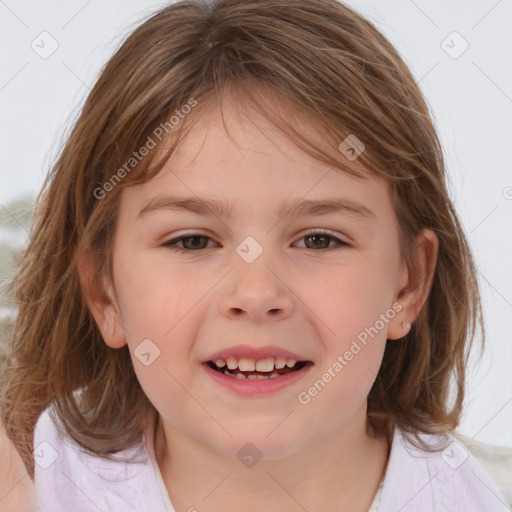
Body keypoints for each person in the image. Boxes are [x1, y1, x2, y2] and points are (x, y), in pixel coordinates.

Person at [0, 0, 510, 510]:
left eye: (319, 240)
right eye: (192, 241)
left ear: (408, 284)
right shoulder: (27, 481)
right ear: (104, 291)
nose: (257, 294)